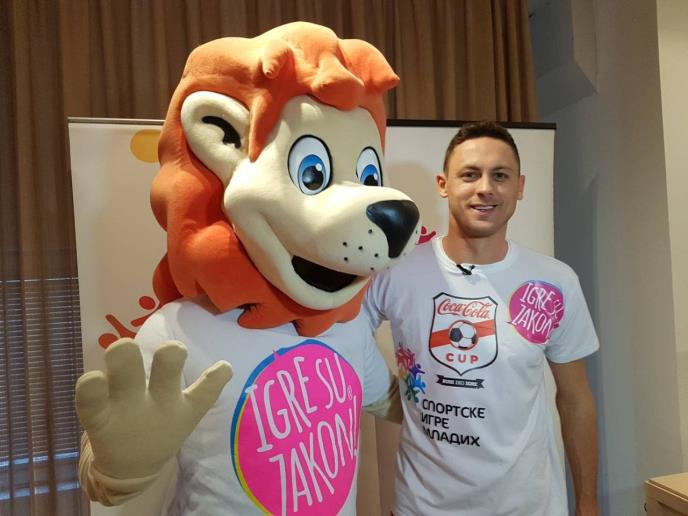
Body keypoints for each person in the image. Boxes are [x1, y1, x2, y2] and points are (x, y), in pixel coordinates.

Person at [364, 121, 599, 516]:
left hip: (529, 507)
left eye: (500, 176)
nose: (485, 187)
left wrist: (587, 501)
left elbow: (576, 399)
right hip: (421, 507)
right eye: (470, 174)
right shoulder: (396, 272)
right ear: (444, 184)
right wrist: (388, 399)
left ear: (520, 187)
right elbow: (343, 341)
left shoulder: (554, 282)